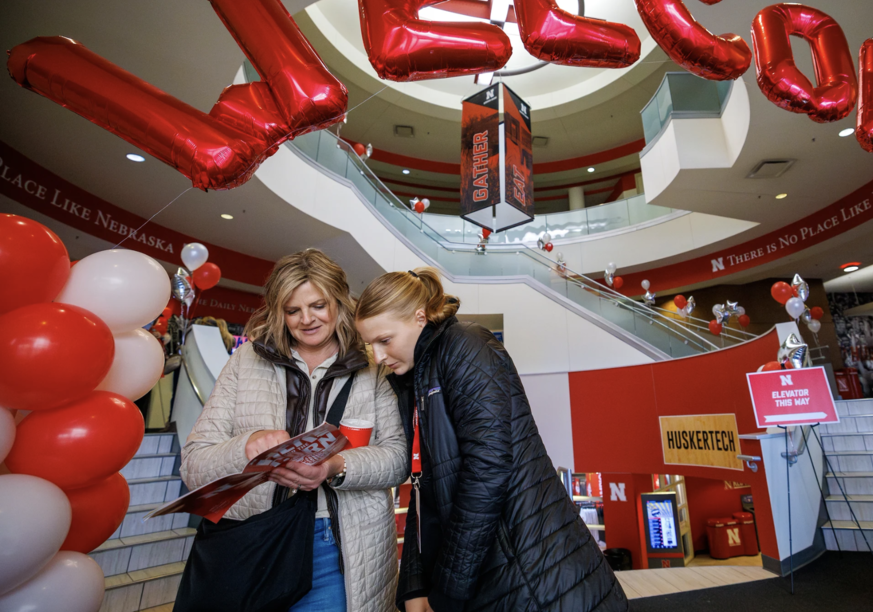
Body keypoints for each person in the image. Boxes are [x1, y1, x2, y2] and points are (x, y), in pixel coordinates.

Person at [355, 267, 629, 612]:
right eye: (370, 345)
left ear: (419, 318)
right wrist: (414, 584)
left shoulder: (466, 346)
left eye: (385, 340)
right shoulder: (417, 377)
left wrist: (449, 589)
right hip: (491, 573)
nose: (378, 357)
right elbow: (425, 486)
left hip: (531, 572)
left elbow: (487, 470)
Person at [181, 249, 408, 612]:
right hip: (252, 541)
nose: (306, 320)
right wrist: (247, 446)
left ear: (339, 300)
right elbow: (193, 464)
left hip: (337, 547)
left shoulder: (373, 365)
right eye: (292, 310)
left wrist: (335, 466)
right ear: (278, 312)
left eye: (318, 305)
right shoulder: (246, 360)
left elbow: (397, 459)